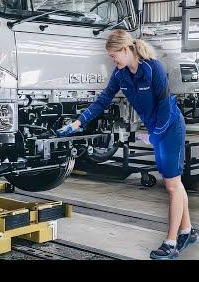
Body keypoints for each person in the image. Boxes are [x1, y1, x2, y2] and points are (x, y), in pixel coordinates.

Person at [56, 29, 197, 260]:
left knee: (172, 185)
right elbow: (103, 100)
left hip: (170, 127)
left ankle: (171, 244)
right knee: (175, 183)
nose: (113, 60)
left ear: (125, 50)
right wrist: (77, 123)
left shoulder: (153, 68)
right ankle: (187, 231)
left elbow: (163, 106)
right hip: (156, 129)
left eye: (114, 56)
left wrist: (155, 135)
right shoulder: (120, 74)